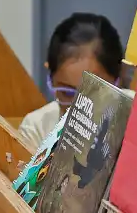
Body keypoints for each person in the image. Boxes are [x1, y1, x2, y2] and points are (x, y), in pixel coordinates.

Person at [17, 12, 124, 150]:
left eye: (94, 94)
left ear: (118, 80)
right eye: (67, 93)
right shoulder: (36, 128)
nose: (79, 110)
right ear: (50, 75)